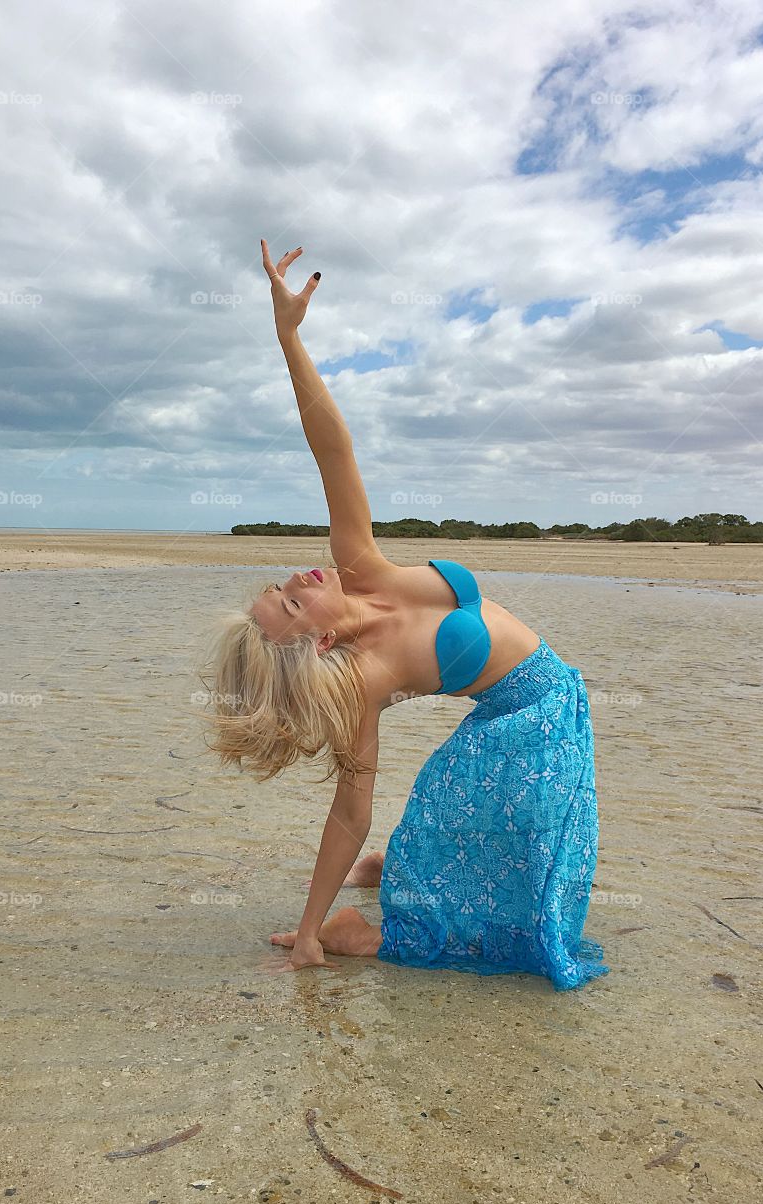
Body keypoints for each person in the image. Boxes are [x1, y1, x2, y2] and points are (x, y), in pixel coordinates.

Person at [197, 238, 608, 991]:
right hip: (532, 720)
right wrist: (311, 933)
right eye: (292, 597)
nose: (298, 574)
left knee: (527, 872)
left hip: (526, 708)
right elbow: (350, 810)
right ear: (316, 640)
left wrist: (288, 337)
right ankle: (363, 928)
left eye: (282, 582)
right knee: (520, 927)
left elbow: (333, 447)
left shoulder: (357, 564)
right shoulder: (362, 682)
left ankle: (401, 864)